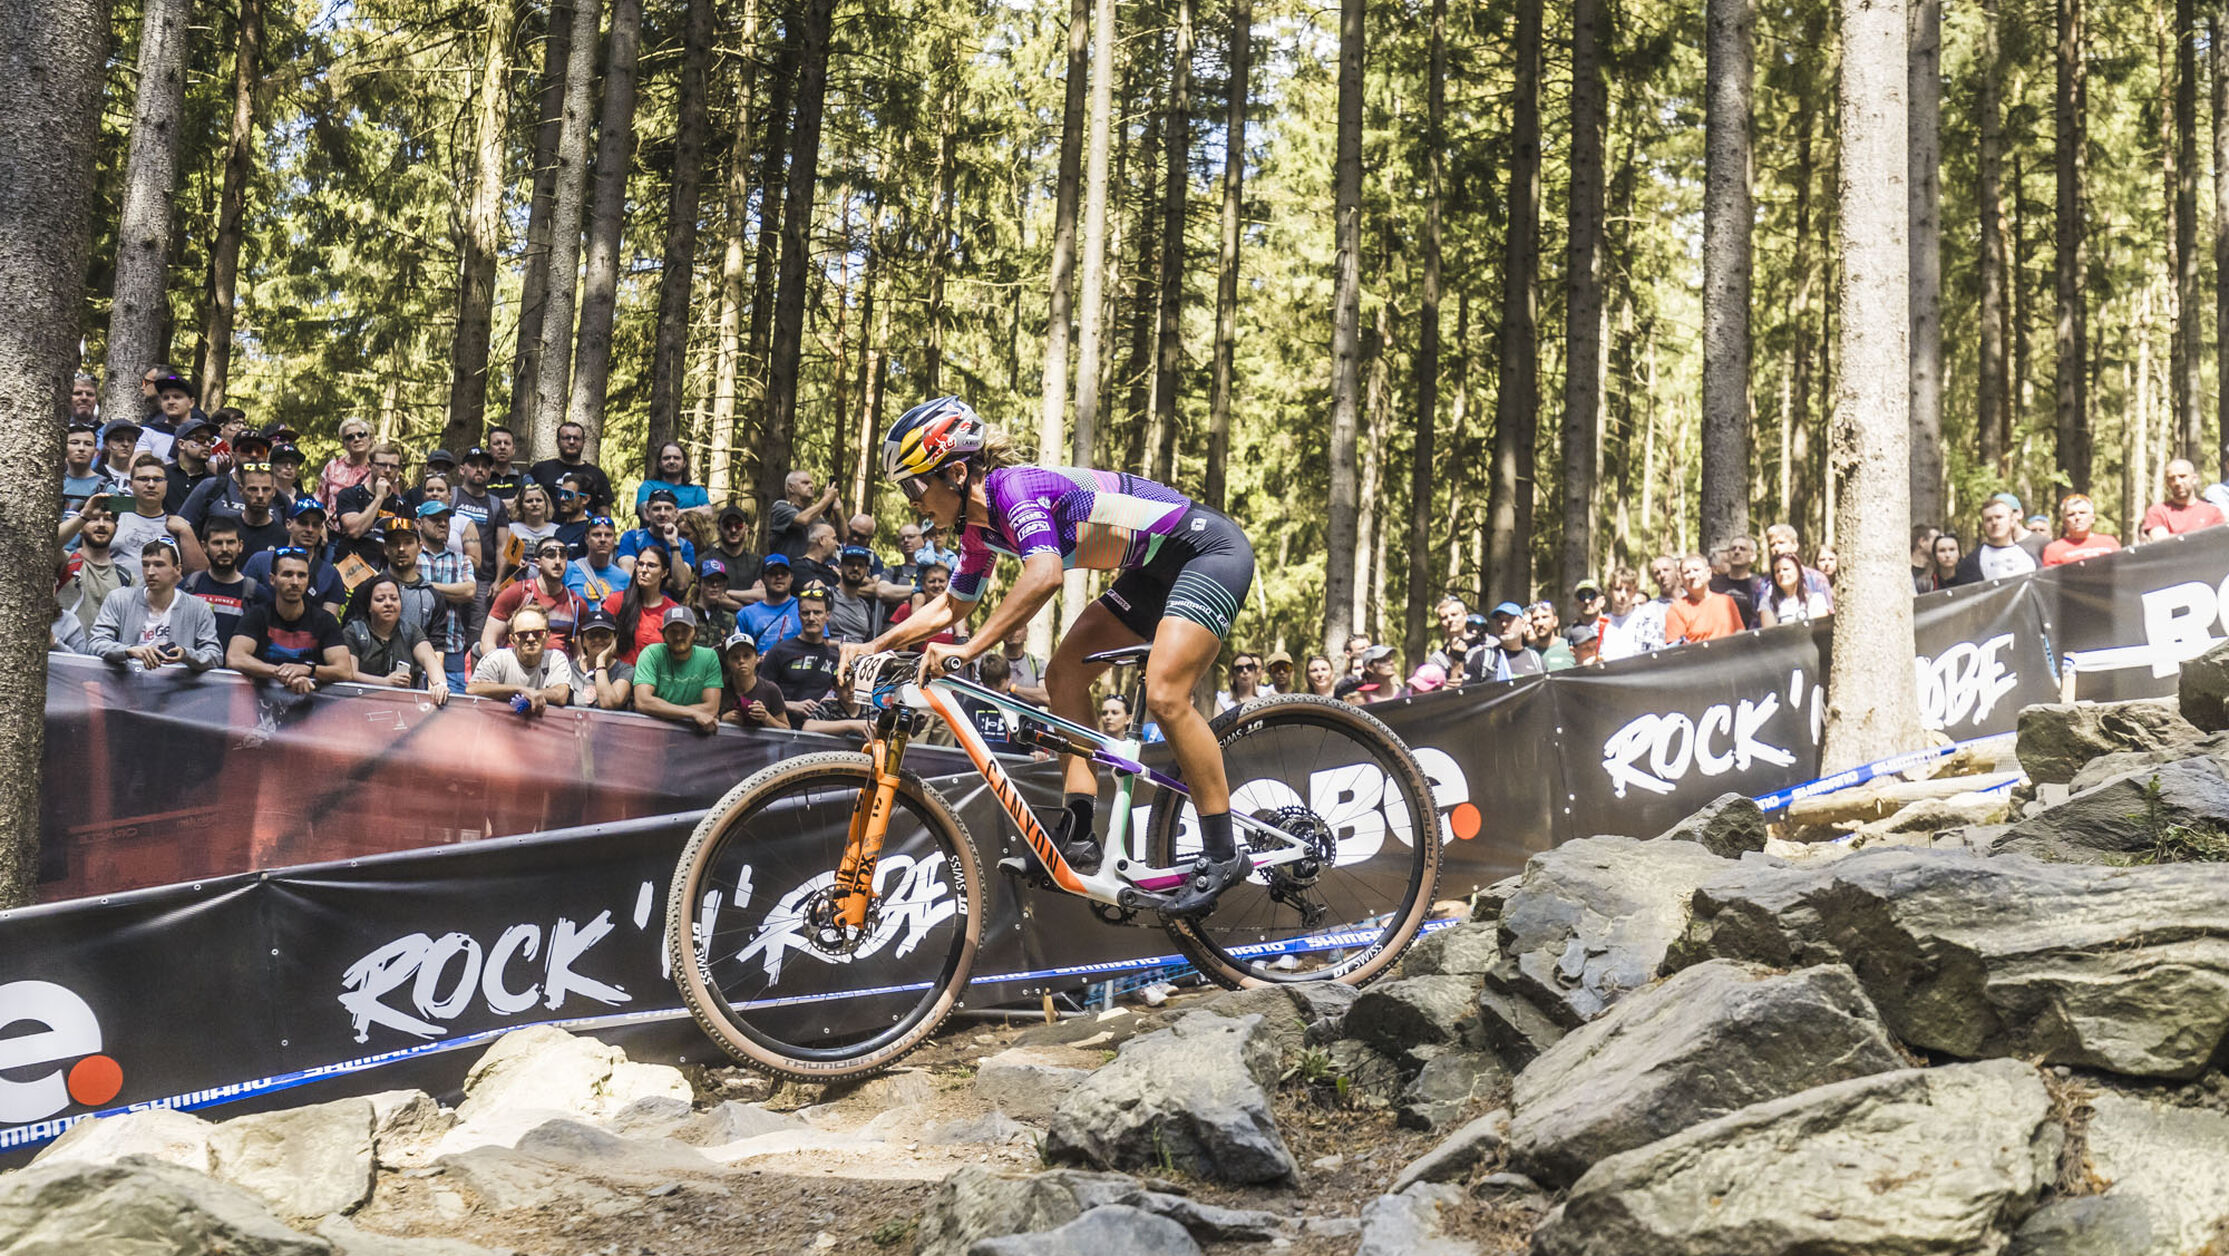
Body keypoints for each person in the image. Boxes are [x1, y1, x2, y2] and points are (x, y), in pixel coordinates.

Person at [837, 397, 1259, 915]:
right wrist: (874, 644)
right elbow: (953, 603)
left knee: (1167, 691)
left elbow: (1044, 575)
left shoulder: (1012, 489)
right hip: (1151, 571)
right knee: (1064, 676)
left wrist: (969, 648)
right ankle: (1079, 832)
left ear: (956, 471)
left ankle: (1222, 852)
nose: (913, 502)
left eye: (915, 486)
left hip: (1207, 552)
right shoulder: (978, 531)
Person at [227, 549, 352, 694]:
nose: (295, 582)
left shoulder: (325, 620)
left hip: (310, 702)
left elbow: (344, 671)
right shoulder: (257, 615)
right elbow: (235, 658)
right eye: (287, 574)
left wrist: (308, 669)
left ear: (308, 580)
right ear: (272, 580)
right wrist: (282, 673)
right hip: (261, 703)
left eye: (302, 575)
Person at [90, 541, 222, 673]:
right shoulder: (119, 599)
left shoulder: (198, 607)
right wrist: (129, 650)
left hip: (177, 688)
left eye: (159, 565)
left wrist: (186, 655)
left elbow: (215, 655)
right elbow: (95, 644)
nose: (150, 572)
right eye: (146, 565)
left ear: (177, 569)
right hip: (126, 686)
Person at [78, 453, 204, 583]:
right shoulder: (113, 511)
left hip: (160, 599)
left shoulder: (177, 522)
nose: (150, 485)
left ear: (166, 484)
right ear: (130, 484)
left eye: (157, 479)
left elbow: (198, 574)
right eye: (143, 479)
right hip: (113, 595)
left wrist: (186, 531)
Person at [343, 574, 448, 703]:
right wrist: (385, 682)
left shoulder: (410, 631)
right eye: (380, 599)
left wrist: (440, 684)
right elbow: (350, 674)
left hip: (402, 708)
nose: (388, 603)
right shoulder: (353, 632)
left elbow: (430, 659)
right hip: (359, 704)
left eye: (394, 598)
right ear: (369, 606)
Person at [484, 538, 588, 655]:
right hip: (516, 667)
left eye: (563, 556)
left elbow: (578, 654)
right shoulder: (517, 593)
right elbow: (488, 640)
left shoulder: (576, 604)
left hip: (558, 669)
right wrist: (498, 669)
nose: (558, 561)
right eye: (551, 555)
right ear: (538, 562)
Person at [241, 500, 346, 615]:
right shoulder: (260, 561)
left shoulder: (330, 574)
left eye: (315, 525)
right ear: (288, 524)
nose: (309, 530)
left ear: (321, 529)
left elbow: (329, 623)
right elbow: (240, 600)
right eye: (303, 523)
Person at [415, 500, 477, 691]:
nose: (443, 524)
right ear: (418, 524)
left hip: (452, 647)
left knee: (452, 711)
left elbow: (469, 591)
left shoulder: (460, 560)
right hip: (413, 646)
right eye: (435, 519)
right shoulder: (411, 557)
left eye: (446, 520)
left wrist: (423, 585)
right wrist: (450, 591)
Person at [467, 603, 572, 714]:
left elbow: (561, 694)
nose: (531, 639)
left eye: (538, 633)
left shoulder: (556, 659)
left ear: (547, 636)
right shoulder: (496, 658)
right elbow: (472, 689)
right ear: (512, 639)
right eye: (523, 634)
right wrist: (519, 690)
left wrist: (533, 694)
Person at [632, 606, 723, 733]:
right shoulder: (651, 654)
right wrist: (692, 713)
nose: (679, 636)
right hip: (654, 731)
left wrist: (662, 710)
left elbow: (711, 708)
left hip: (692, 733)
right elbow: (643, 702)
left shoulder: (708, 657)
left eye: (685, 630)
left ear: (695, 632)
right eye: (673, 631)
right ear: (663, 634)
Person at [332, 440, 408, 577]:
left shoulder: (402, 505)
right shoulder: (350, 494)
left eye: (393, 466)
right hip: (350, 569)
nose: (388, 470)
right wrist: (379, 497)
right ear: (369, 465)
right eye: (382, 465)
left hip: (386, 572)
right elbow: (355, 530)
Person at [182, 517, 261, 644]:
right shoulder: (188, 586)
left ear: (240, 546)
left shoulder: (255, 592)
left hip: (236, 663)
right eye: (217, 543)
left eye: (230, 542)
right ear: (204, 546)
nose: (224, 549)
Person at [761, 584, 842, 706]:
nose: (811, 618)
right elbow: (760, 695)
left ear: (827, 615)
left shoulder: (835, 657)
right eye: (806, 613)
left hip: (822, 723)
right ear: (799, 616)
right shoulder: (779, 651)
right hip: (784, 722)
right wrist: (790, 706)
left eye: (817, 612)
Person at [59, 500, 131, 635]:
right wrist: (84, 515)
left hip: (105, 653)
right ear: (80, 526)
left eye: (108, 519)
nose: (101, 524)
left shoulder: (126, 578)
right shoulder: (65, 561)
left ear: (116, 528)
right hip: (63, 651)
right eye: (94, 519)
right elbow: (48, 543)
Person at [608, 542, 682, 664]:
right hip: (620, 677)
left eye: (651, 565)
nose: (643, 570)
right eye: (640, 564)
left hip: (657, 677)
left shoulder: (673, 610)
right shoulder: (617, 601)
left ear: (664, 573)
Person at [954, 651, 1033, 754]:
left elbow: (1032, 741)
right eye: (989, 686)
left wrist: (1037, 752)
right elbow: (962, 741)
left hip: (1013, 765)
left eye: (999, 685)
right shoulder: (971, 705)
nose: (995, 691)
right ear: (982, 682)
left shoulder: (1021, 707)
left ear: (1009, 679)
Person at [528, 421, 614, 514]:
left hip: (584, 528)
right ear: (558, 441)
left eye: (576, 438)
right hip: (546, 527)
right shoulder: (541, 469)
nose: (572, 442)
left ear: (583, 442)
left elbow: (604, 514)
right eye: (567, 438)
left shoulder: (597, 474)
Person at [206, 461, 289, 558]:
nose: (260, 495)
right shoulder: (227, 531)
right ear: (240, 490)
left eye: (266, 489)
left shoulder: (284, 537)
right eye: (253, 489)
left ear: (274, 492)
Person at [1665, 552, 1746, 643]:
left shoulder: (1727, 601)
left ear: (1708, 573)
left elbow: (1740, 634)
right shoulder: (1677, 609)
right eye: (1687, 572)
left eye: (1696, 570)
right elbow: (1675, 649)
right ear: (1681, 579)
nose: (1692, 576)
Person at [619, 489, 698, 583]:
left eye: (668, 509)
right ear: (647, 513)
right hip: (638, 597)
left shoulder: (685, 546)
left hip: (670, 598)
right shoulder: (632, 538)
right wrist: (668, 583)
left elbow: (681, 585)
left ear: (676, 513)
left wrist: (674, 544)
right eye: (657, 509)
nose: (662, 513)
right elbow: (628, 579)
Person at [1955, 497, 2041, 582]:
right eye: (1988, 519)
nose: (1994, 523)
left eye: (1999, 517)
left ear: (2012, 521)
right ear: (1983, 525)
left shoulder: (2029, 558)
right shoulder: (1972, 561)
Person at [719, 630, 791, 730]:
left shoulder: (770, 690)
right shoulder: (719, 689)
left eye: (747, 656)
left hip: (762, 745)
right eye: (735, 657)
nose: (741, 661)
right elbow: (706, 719)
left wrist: (767, 717)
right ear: (727, 662)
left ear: (757, 658)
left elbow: (787, 730)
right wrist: (721, 720)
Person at [569, 605, 635, 710]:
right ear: (583, 641)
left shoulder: (626, 671)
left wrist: (600, 661)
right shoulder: (570, 670)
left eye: (604, 635)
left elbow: (608, 703)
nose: (598, 639)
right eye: (592, 635)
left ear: (615, 639)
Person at [2143, 459, 2227, 539]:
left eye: (2182, 476)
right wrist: (2203, 538)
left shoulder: (2212, 512)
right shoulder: (2158, 511)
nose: (2177, 482)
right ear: (2167, 483)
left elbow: (2218, 541)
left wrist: (2173, 536)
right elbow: (2161, 542)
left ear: (2194, 479)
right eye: (2172, 478)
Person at [768, 469, 841, 559]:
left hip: (811, 570)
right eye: (805, 483)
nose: (811, 486)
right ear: (791, 488)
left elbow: (840, 539)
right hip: (786, 570)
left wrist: (839, 511)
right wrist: (827, 498)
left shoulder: (816, 517)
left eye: (811, 483)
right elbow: (802, 520)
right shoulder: (780, 507)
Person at [704, 503, 765, 607]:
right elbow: (708, 598)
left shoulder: (758, 562)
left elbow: (763, 597)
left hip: (749, 621)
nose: (733, 530)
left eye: (738, 525)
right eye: (727, 525)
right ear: (719, 529)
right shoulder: (707, 559)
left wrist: (728, 594)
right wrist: (745, 601)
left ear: (746, 528)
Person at [738, 553, 802, 650]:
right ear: (764, 578)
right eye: (773, 573)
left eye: (784, 573)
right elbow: (740, 652)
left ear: (791, 577)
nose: (779, 577)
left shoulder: (804, 608)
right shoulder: (745, 615)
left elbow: (820, 643)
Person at [502, 480, 561, 585]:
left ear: (546, 504)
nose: (534, 504)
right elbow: (506, 558)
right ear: (521, 506)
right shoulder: (512, 529)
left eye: (538, 500)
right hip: (519, 584)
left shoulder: (558, 530)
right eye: (529, 501)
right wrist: (516, 562)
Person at [1464, 603, 1543, 682]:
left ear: (1523, 624)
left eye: (1509, 619)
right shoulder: (1483, 659)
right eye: (1500, 620)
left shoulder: (1536, 660)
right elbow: (1468, 692)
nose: (1503, 624)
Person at [829, 545, 890, 643]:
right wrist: (845, 646)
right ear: (840, 566)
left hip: (859, 656)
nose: (856, 568)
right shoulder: (827, 595)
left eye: (860, 565)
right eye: (850, 564)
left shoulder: (865, 606)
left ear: (866, 570)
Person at [635, 442, 711, 520]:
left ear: (684, 463)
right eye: (666, 458)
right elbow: (646, 515)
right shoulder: (648, 486)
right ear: (659, 463)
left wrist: (664, 514)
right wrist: (695, 511)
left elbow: (708, 513)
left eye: (676, 458)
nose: (671, 461)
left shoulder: (697, 491)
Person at [1762, 524, 1833, 605]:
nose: (1776, 548)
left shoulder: (1816, 579)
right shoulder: (1765, 583)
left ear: (1795, 545)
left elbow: (1828, 614)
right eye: (1772, 545)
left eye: (1781, 542)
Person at [2042, 494, 2122, 566]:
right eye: (2071, 514)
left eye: (2082, 513)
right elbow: (2050, 580)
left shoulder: (2110, 542)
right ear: (2064, 522)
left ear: (2093, 518)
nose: (2077, 517)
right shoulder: (2053, 549)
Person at [161, 418, 220, 514]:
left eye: (211, 440)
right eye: (201, 439)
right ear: (181, 444)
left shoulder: (212, 482)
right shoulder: (162, 475)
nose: (208, 444)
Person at [566, 515, 630, 603]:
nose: (603, 539)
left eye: (608, 535)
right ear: (587, 538)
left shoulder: (624, 578)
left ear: (614, 539)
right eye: (597, 535)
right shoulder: (569, 570)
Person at [318, 419, 377, 512]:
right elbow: (319, 499)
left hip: (366, 524)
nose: (357, 439)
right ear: (344, 444)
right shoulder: (332, 467)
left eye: (361, 434)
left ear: (370, 439)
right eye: (350, 437)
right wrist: (324, 515)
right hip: (333, 525)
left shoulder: (379, 467)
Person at [61, 422, 115, 523]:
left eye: (88, 444)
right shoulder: (52, 484)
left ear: (95, 452)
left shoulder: (107, 489)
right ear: (64, 448)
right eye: (74, 442)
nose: (81, 448)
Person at [1759, 552, 1833, 626]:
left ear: (1798, 571)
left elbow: (1820, 631)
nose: (1781, 573)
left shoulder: (1816, 599)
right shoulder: (1767, 603)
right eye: (1777, 571)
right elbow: (1770, 634)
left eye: (1786, 569)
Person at [137, 373, 196, 461]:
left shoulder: (206, 436)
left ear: (191, 403)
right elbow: (138, 466)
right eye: (166, 398)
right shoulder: (147, 433)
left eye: (177, 397)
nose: (171, 402)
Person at [1711, 535, 1766, 629]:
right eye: (1733, 549)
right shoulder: (1713, 584)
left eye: (1742, 549)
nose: (1737, 552)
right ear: (1728, 555)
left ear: (1753, 556)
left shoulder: (1760, 585)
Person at [1597, 567, 1651, 661]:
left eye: (1628, 590)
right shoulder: (1601, 623)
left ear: (1634, 592)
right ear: (1610, 591)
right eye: (1618, 589)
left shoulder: (1646, 621)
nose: (1623, 595)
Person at [993, 621, 1048, 704]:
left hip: (1027, 716)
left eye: (1018, 627)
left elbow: (1046, 697)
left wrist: (1012, 688)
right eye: (1009, 627)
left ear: (1026, 632)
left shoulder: (1037, 665)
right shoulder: (990, 662)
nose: (1014, 632)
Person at [692, 557, 738, 643]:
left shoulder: (730, 619)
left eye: (720, 581)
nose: (715, 585)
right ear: (699, 581)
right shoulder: (687, 615)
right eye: (709, 580)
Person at [550, 470, 596, 557]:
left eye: (568, 495)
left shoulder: (591, 530)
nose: (562, 499)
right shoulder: (559, 531)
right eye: (561, 493)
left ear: (585, 499)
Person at [1425, 597, 1472, 677]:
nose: (1450, 619)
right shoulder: (1437, 660)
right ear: (1440, 623)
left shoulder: (1488, 644)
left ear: (1465, 616)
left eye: (1454, 614)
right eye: (1444, 618)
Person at [792, 521, 842, 591]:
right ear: (822, 540)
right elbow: (819, 592)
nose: (837, 544)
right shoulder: (799, 567)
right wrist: (844, 584)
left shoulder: (832, 571)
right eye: (834, 538)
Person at [482, 426, 526, 504]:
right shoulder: (480, 477)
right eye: (497, 443)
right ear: (488, 449)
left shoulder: (524, 478)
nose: (502, 447)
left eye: (507, 443)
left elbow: (528, 504)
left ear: (514, 450)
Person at [1528, 602, 1576, 670]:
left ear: (1555, 621)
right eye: (1536, 619)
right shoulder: (1528, 654)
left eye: (1545, 617)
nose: (1540, 623)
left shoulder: (1570, 649)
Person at [1909, 524, 1943, 593]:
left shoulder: (1938, 571)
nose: (1940, 543)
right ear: (1922, 541)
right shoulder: (1902, 569)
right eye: (1936, 539)